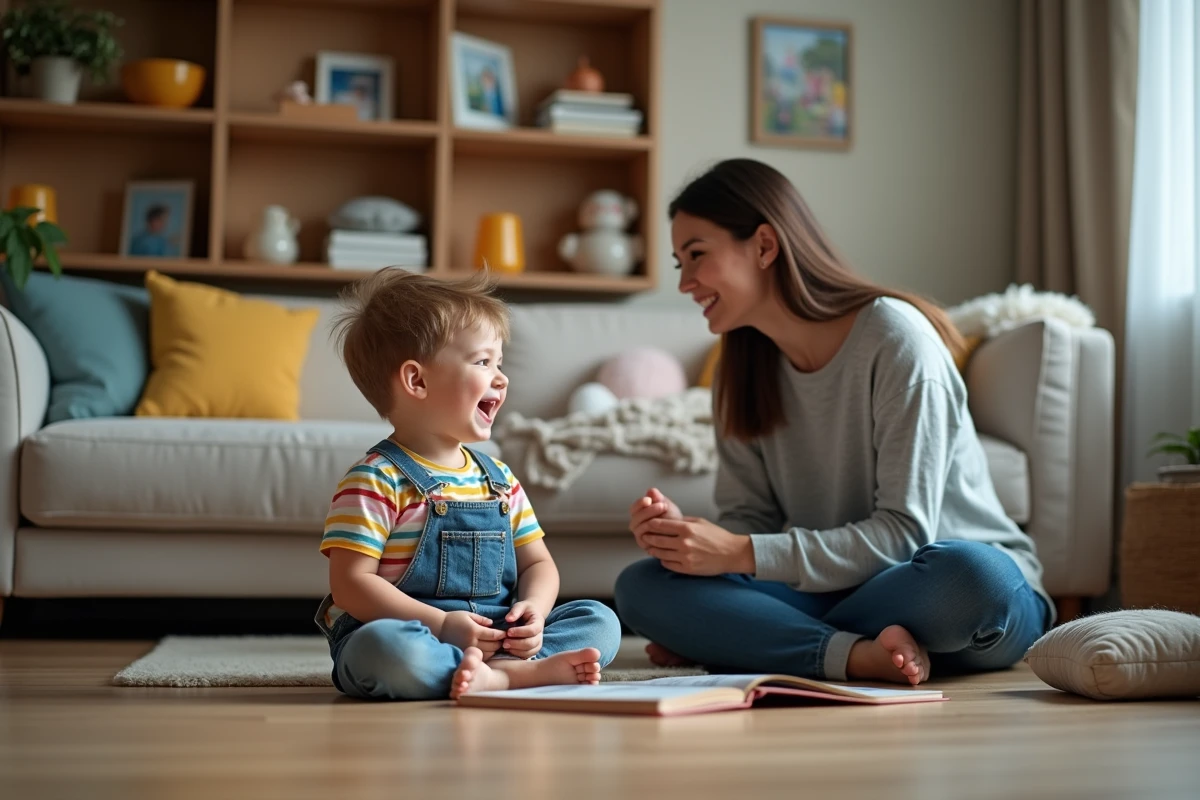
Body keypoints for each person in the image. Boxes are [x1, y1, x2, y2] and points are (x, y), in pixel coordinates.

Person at [614, 159, 1052, 686]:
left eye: (697, 256)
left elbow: (904, 536)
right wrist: (688, 544)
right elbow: (751, 517)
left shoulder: (896, 340)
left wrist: (734, 561)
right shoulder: (740, 368)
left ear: (764, 246)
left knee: (979, 578)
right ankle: (855, 655)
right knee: (642, 586)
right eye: (680, 262)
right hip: (839, 594)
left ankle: (763, 639)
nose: (685, 282)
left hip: (937, 591)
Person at [315, 269, 621, 701]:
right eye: (483, 362)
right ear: (416, 381)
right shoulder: (376, 478)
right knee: (384, 650)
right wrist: (441, 625)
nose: (502, 377)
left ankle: (503, 671)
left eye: (500, 363)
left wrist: (534, 612)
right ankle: (510, 676)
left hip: (497, 634)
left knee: (599, 620)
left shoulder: (498, 479)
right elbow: (350, 585)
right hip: (418, 634)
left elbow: (538, 564)